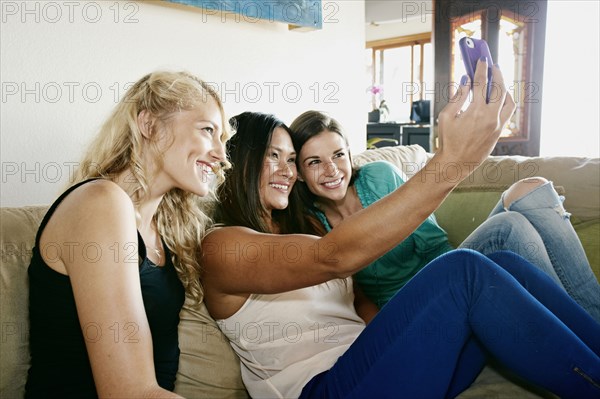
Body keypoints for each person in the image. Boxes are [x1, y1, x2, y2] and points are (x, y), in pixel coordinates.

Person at [200, 63, 600, 399]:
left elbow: (359, 305)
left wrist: (401, 335)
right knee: (464, 270)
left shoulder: (300, 227)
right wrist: (453, 161)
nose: (288, 171)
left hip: (387, 367)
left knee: (501, 261)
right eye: (274, 157)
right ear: (242, 162)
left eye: (291, 159)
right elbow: (334, 257)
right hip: (326, 388)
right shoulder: (221, 246)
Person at [25, 71, 229, 398]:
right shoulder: (100, 203)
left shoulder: (165, 230)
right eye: (208, 130)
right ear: (148, 125)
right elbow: (131, 393)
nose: (221, 155)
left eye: (224, 140)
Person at [289, 109, 600, 321]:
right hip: (412, 310)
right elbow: (355, 300)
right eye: (315, 162)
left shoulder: (380, 176)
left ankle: (590, 317)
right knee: (507, 226)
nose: (331, 170)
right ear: (300, 173)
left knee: (531, 189)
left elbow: (435, 244)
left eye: (338, 155)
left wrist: (469, 276)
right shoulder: (310, 226)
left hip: (450, 275)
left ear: (349, 154)